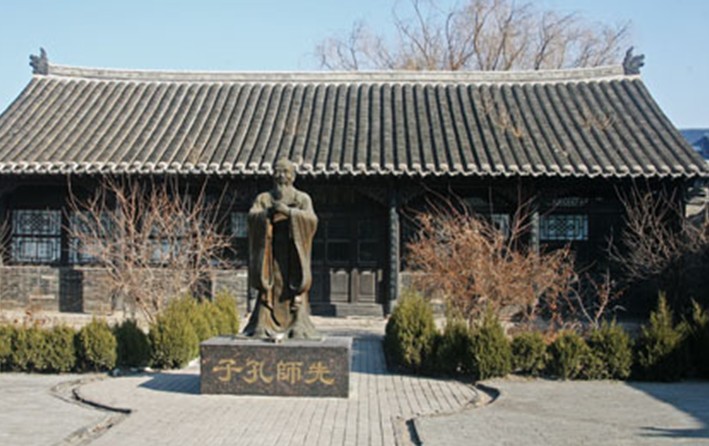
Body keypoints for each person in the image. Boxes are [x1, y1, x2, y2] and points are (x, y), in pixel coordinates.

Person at [242, 159, 320, 340]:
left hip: (294, 252)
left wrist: (289, 212)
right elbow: (252, 217)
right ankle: (263, 323)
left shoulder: (302, 198)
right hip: (270, 252)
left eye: (285, 171)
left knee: (296, 285)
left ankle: (298, 324)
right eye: (277, 171)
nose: (281, 175)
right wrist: (267, 214)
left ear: (293, 175)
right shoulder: (264, 198)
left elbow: (311, 220)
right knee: (267, 287)